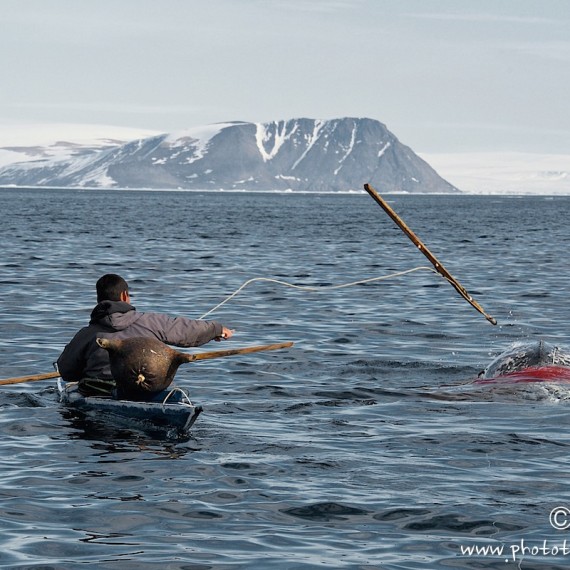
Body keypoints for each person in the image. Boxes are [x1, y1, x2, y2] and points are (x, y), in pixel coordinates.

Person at [57, 273, 233, 398]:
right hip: (148, 391)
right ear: (125, 295)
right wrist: (216, 330)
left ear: (98, 299)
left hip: (100, 392)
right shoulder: (152, 322)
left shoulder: (86, 335)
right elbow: (187, 330)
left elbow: (66, 371)